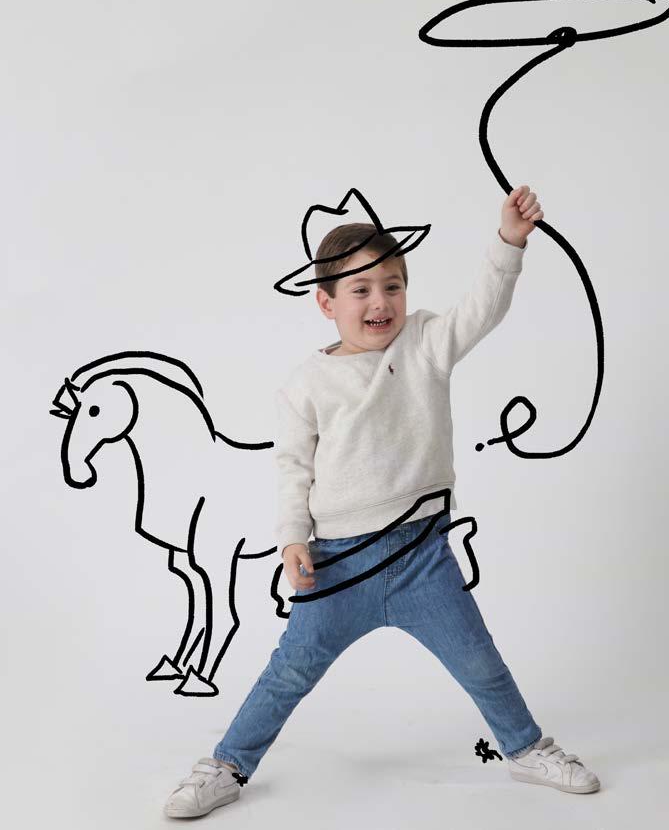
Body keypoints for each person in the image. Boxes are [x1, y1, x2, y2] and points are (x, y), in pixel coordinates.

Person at [163, 185, 600, 818]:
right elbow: (292, 469)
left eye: (393, 286)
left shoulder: (425, 344)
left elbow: (482, 308)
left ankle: (527, 748)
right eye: (361, 289)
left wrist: (509, 241)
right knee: (290, 670)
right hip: (338, 564)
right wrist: (292, 540)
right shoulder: (306, 385)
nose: (380, 302)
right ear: (326, 302)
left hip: (424, 556)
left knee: (479, 659)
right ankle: (227, 764)